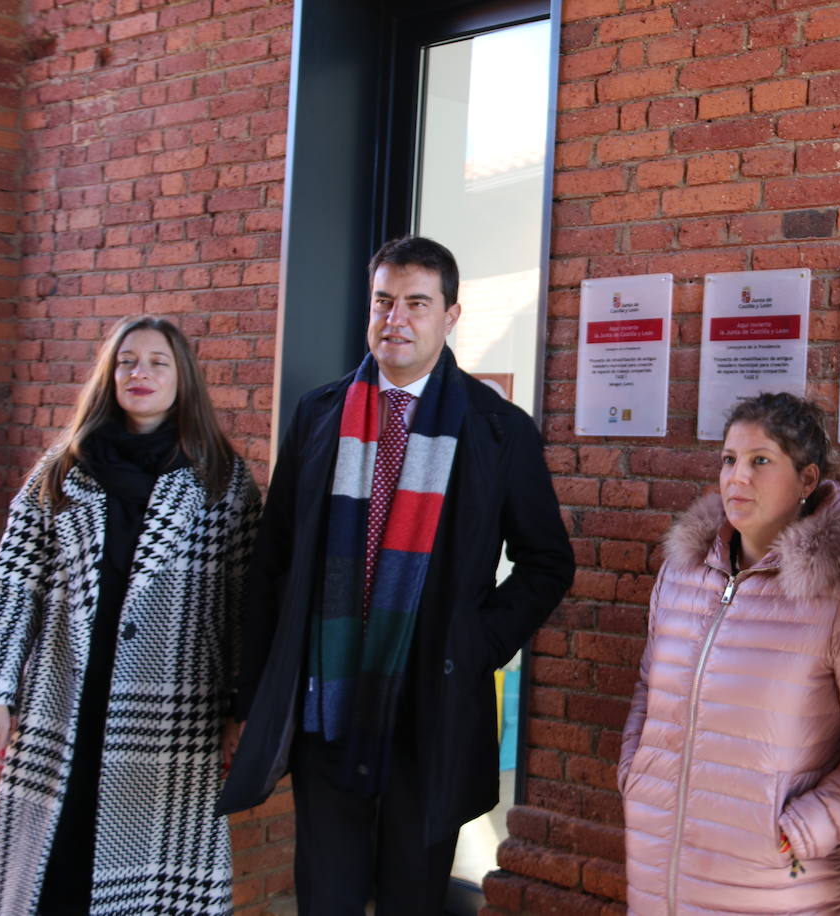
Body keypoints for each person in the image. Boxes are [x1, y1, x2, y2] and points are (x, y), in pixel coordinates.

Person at [219, 235, 574, 914]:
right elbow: (274, 562)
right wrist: (252, 691)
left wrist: (475, 643)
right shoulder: (319, 413)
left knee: (414, 896)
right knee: (327, 895)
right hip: (330, 698)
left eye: (417, 303)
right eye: (384, 301)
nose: (396, 319)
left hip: (430, 704)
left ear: (451, 315)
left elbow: (548, 562)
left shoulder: (499, 429)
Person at [0, 316, 260, 915]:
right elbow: (11, 588)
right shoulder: (61, 471)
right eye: (127, 361)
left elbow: (244, 607)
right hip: (65, 702)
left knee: (149, 891)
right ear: (110, 375)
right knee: (57, 877)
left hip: (172, 718)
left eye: (157, 362)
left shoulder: (223, 481)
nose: (139, 373)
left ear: (184, 380)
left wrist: (239, 709)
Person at [619, 392, 840, 915]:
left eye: (761, 461)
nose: (738, 477)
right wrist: (636, 776)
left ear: (806, 480)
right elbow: (649, 687)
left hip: (783, 883)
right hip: (661, 865)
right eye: (729, 460)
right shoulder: (683, 573)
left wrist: (806, 827)